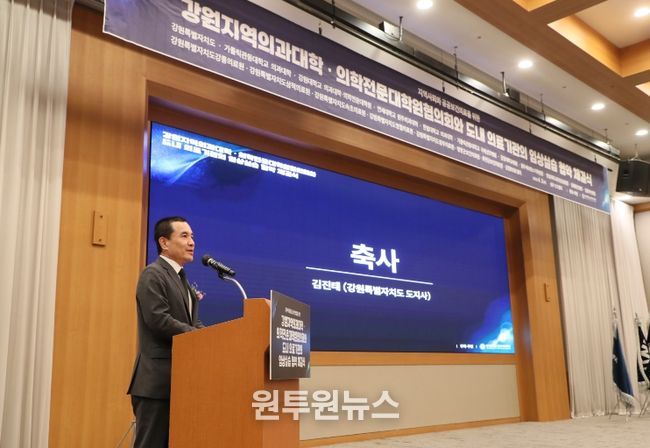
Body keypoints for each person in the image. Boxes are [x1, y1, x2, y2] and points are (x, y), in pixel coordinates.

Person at [127, 216, 205, 447]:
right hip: (157, 382)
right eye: (184, 236)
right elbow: (158, 320)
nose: (192, 242)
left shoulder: (181, 279)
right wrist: (198, 336)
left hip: (179, 380)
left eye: (192, 236)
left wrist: (214, 338)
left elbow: (193, 322)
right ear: (164, 242)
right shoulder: (153, 274)